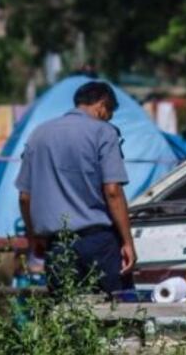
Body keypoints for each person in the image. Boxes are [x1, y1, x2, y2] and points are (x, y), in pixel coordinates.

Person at [15, 81, 136, 297]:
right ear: (101, 106)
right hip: (99, 241)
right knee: (118, 313)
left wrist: (35, 237)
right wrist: (127, 242)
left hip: (57, 245)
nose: (108, 119)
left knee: (65, 317)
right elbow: (112, 191)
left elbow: (25, 197)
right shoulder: (104, 132)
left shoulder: (38, 135)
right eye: (109, 113)